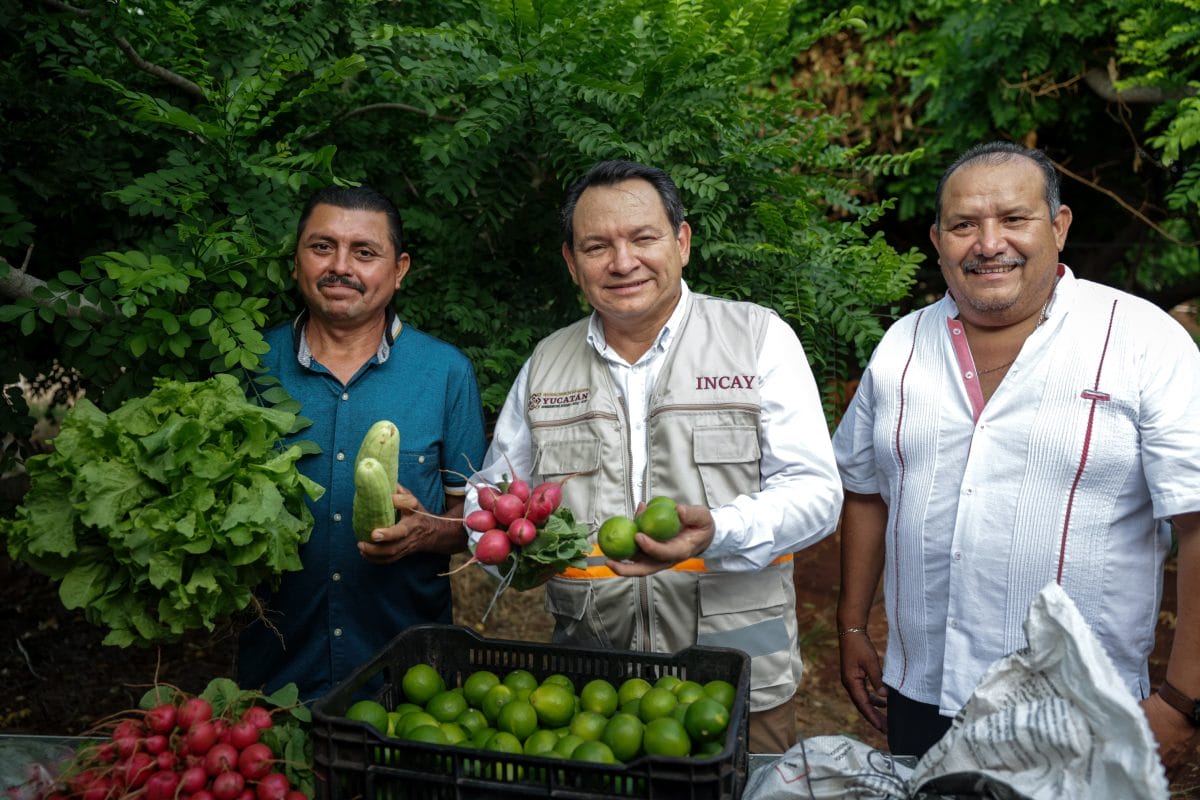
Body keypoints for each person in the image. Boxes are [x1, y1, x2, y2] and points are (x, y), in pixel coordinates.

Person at [833, 140, 1200, 766]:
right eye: (964, 225)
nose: (987, 243)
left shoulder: (1142, 341)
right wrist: (853, 626)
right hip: (922, 697)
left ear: (1058, 226)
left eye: (1013, 219)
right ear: (937, 239)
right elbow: (866, 490)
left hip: (1082, 707)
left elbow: (1196, 521)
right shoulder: (901, 346)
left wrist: (1182, 699)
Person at [465, 159, 843, 753]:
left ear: (682, 242)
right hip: (589, 690)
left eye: (643, 238)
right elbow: (491, 495)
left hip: (737, 681)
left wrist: (718, 529)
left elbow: (818, 495)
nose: (622, 262)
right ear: (571, 262)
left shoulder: (757, 338)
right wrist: (499, 549)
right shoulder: (545, 364)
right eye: (597, 246)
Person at [237, 184, 487, 702]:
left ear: (399, 269)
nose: (340, 266)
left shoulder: (445, 373)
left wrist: (427, 532)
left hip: (409, 675)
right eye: (322, 247)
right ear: (296, 261)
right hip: (272, 674)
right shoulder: (250, 368)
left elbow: (473, 523)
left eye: (364, 252)